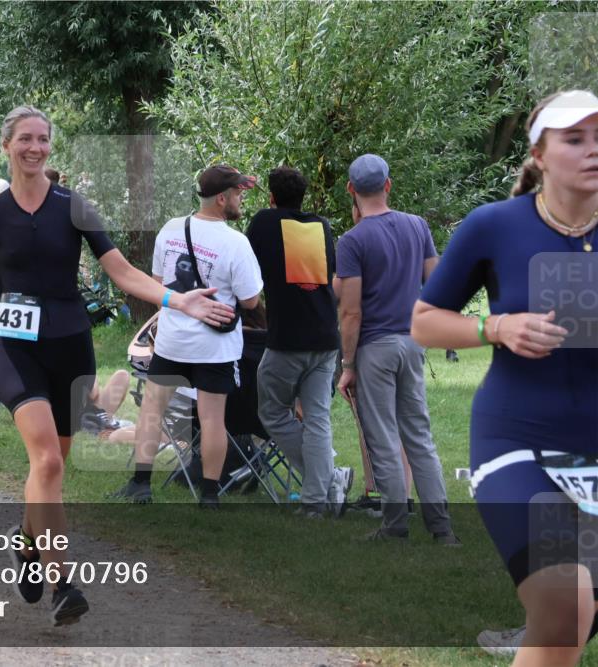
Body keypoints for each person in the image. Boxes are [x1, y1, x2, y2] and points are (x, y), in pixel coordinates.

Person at [0, 106, 231, 626]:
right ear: (7, 145)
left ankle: (27, 540)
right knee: (50, 464)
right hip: (14, 348)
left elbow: (122, 269)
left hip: (69, 346)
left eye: (43, 139)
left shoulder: (73, 207)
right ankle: (63, 584)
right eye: (25, 140)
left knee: (48, 466)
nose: (35, 148)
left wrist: (177, 301)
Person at [413, 90, 598, 665]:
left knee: (569, 627)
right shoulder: (494, 226)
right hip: (516, 442)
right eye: (575, 139)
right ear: (539, 154)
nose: (593, 150)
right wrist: (497, 327)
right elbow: (423, 322)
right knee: (563, 601)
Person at [111, 164, 263, 508]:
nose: (241, 199)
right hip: (215, 346)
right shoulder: (236, 243)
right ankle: (210, 495)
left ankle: (140, 483)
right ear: (222, 198)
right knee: (212, 418)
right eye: (239, 193)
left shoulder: (171, 228)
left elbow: (157, 280)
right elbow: (251, 300)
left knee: (152, 408)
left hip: (172, 339)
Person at [334, 153, 458, 543]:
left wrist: (348, 363)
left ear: (351, 190)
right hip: (412, 343)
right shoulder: (417, 226)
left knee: (384, 438)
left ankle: (395, 525)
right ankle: (442, 529)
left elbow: (351, 312)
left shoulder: (352, 242)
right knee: (419, 435)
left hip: (375, 348)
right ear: (389, 185)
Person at [246, 166, 353, 518]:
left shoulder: (264, 222)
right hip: (325, 337)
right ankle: (318, 498)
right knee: (318, 419)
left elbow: (247, 271)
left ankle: (325, 485)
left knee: (272, 412)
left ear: (272, 198)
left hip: (287, 339)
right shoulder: (321, 226)